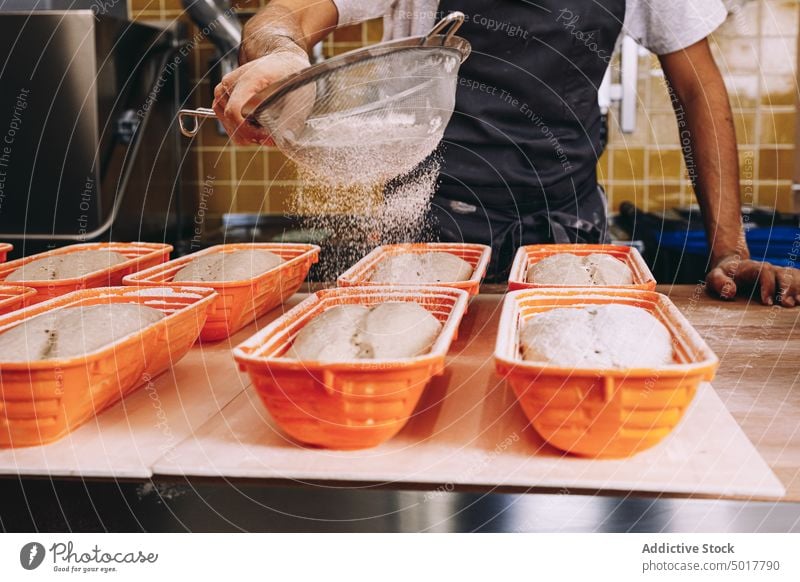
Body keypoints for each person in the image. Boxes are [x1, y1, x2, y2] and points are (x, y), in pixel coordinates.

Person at [212, 0, 800, 306]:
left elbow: (698, 87)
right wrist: (283, 54)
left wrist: (729, 250)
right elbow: (284, 17)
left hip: (567, 231)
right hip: (431, 225)